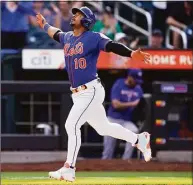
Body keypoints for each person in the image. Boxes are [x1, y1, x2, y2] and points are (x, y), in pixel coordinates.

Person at [36, 6, 151, 182]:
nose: (74, 15)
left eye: (79, 14)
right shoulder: (67, 37)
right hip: (79, 94)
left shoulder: (93, 37)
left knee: (71, 125)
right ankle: (139, 140)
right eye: (75, 13)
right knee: (104, 128)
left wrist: (131, 53)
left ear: (86, 20)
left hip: (90, 90)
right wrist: (44, 25)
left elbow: (112, 45)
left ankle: (69, 168)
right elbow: (56, 33)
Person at [102, 69, 143, 160]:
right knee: (109, 142)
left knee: (134, 131)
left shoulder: (138, 89)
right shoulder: (119, 84)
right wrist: (132, 104)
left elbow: (141, 105)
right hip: (113, 119)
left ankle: (125, 161)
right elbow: (115, 104)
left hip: (126, 121)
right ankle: (105, 162)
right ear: (129, 77)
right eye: (135, 80)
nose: (136, 82)